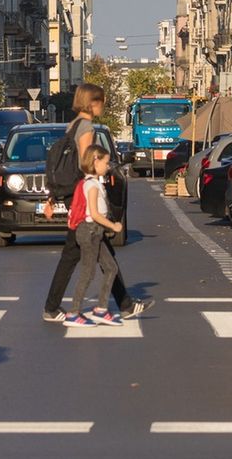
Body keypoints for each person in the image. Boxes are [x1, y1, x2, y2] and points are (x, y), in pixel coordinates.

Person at [41, 83, 153, 322]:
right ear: (92, 103)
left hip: (74, 196)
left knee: (93, 254)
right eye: (101, 101)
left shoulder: (72, 126)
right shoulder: (86, 128)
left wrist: (55, 197)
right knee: (79, 254)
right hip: (83, 196)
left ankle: (123, 304)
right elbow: (86, 164)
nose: (103, 106)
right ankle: (53, 307)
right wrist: (95, 193)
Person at [63, 145, 126, 328]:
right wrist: (113, 225)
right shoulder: (91, 185)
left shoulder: (94, 183)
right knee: (88, 273)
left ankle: (101, 309)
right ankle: (73, 312)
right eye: (105, 162)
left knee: (111, 267)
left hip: (95, 232)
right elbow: (95, 214)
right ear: (95, 161)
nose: (108, 166)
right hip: (89, 231)